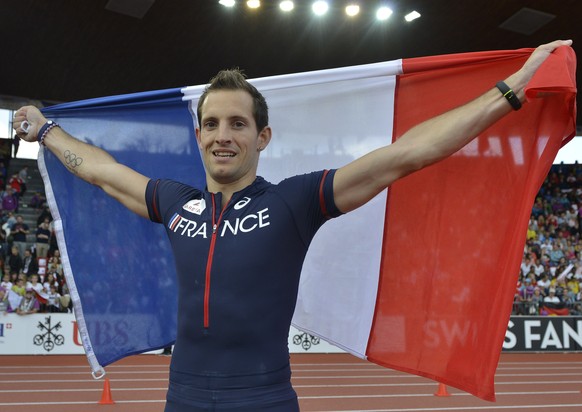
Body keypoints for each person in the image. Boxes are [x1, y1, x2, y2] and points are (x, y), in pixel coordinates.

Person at [13, 40, 572, 411]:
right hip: (181, 396)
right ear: (199, 135)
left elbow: (406, 155)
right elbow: (105, 173)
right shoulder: (175, 203)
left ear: (263, 137)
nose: (222, 134)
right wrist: (47, 130)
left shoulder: (295, 202)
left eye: (238, 123)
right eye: (210, 123)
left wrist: (513, 88)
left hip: (264, 399)